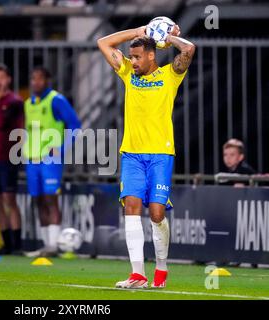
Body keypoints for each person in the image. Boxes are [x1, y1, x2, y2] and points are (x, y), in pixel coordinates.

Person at [98, 24, 195, 288]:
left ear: (152, 55)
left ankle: (161, 269)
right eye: (132, 56)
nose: (134, 61)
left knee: (156, 213)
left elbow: (189, 49)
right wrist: (139, 30)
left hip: (161, 155)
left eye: (138, 56)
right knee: (131, 205)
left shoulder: (170, 76)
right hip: (132, 153)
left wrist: (169, 37)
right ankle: (137, 274)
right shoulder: (128, 73)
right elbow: (103, 43)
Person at [23, 66, 81, 258]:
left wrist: (62, 150)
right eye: (33, 78)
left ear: (47, 81)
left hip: (50, 160)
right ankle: (47, 244)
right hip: (32, 159)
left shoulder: (56, 100)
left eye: (39, 79)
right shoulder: (28, 103)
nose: (35, 82)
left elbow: (75, 126)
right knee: (38, 200)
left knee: (51, 199)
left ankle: (54, 245)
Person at [0, 63, 24, 255]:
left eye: (2, 77)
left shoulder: (14, 102)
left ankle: (16, 245)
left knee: (10, 199)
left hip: (7, 157)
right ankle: (6, 243)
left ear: (8, 79)